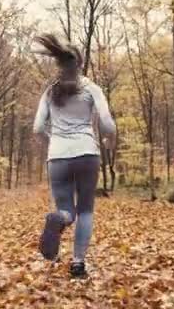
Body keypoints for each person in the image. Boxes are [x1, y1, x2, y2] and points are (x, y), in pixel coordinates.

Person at [32, 34, 116, 279]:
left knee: (67, 210)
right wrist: (109, 141)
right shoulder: (92, 89)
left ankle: (60, 218)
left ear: (59, 65)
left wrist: (53, 144)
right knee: (86, 211)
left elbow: (37, 128)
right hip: (87, 154)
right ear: (79, 64)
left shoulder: (49, 92)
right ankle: (78, 264)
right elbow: (108, 123)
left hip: (57, 157)